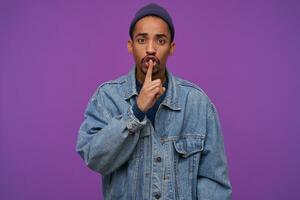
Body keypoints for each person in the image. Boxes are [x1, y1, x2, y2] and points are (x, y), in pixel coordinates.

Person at [76, 3, 232, 200]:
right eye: (142, 40)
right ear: (130, 46)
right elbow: (94, 158)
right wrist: (136, 112)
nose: (150, 49)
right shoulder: (106, 97)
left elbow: (214, 182)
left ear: (171, 48)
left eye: (160, 40)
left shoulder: (198, 103)